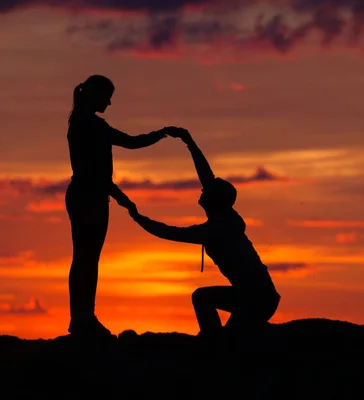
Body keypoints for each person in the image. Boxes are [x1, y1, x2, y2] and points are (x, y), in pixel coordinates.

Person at [124, 128, 281, 337]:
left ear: (215, 200)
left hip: (256, 298)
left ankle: (212, 344)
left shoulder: (216, 229)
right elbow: (207, 177)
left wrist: (136, 216)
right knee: (228, 331)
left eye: (207, 190)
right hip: (257, 296)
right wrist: (190, 143)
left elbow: (169, 233)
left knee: (201, 298)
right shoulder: (227, 218)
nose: (202, 190)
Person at [65, 74, 184, 337]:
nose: (109, 103)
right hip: (90, 197)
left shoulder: (79, 122)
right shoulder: (93, 126)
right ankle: (84, 319)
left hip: (85, 195)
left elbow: (95, 171)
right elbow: (130, 143)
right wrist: (163, 133)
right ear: (95, 95)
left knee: (84, 259)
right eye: (107, 97)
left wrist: (117, 195)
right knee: (87, 260)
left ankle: (82, 318)